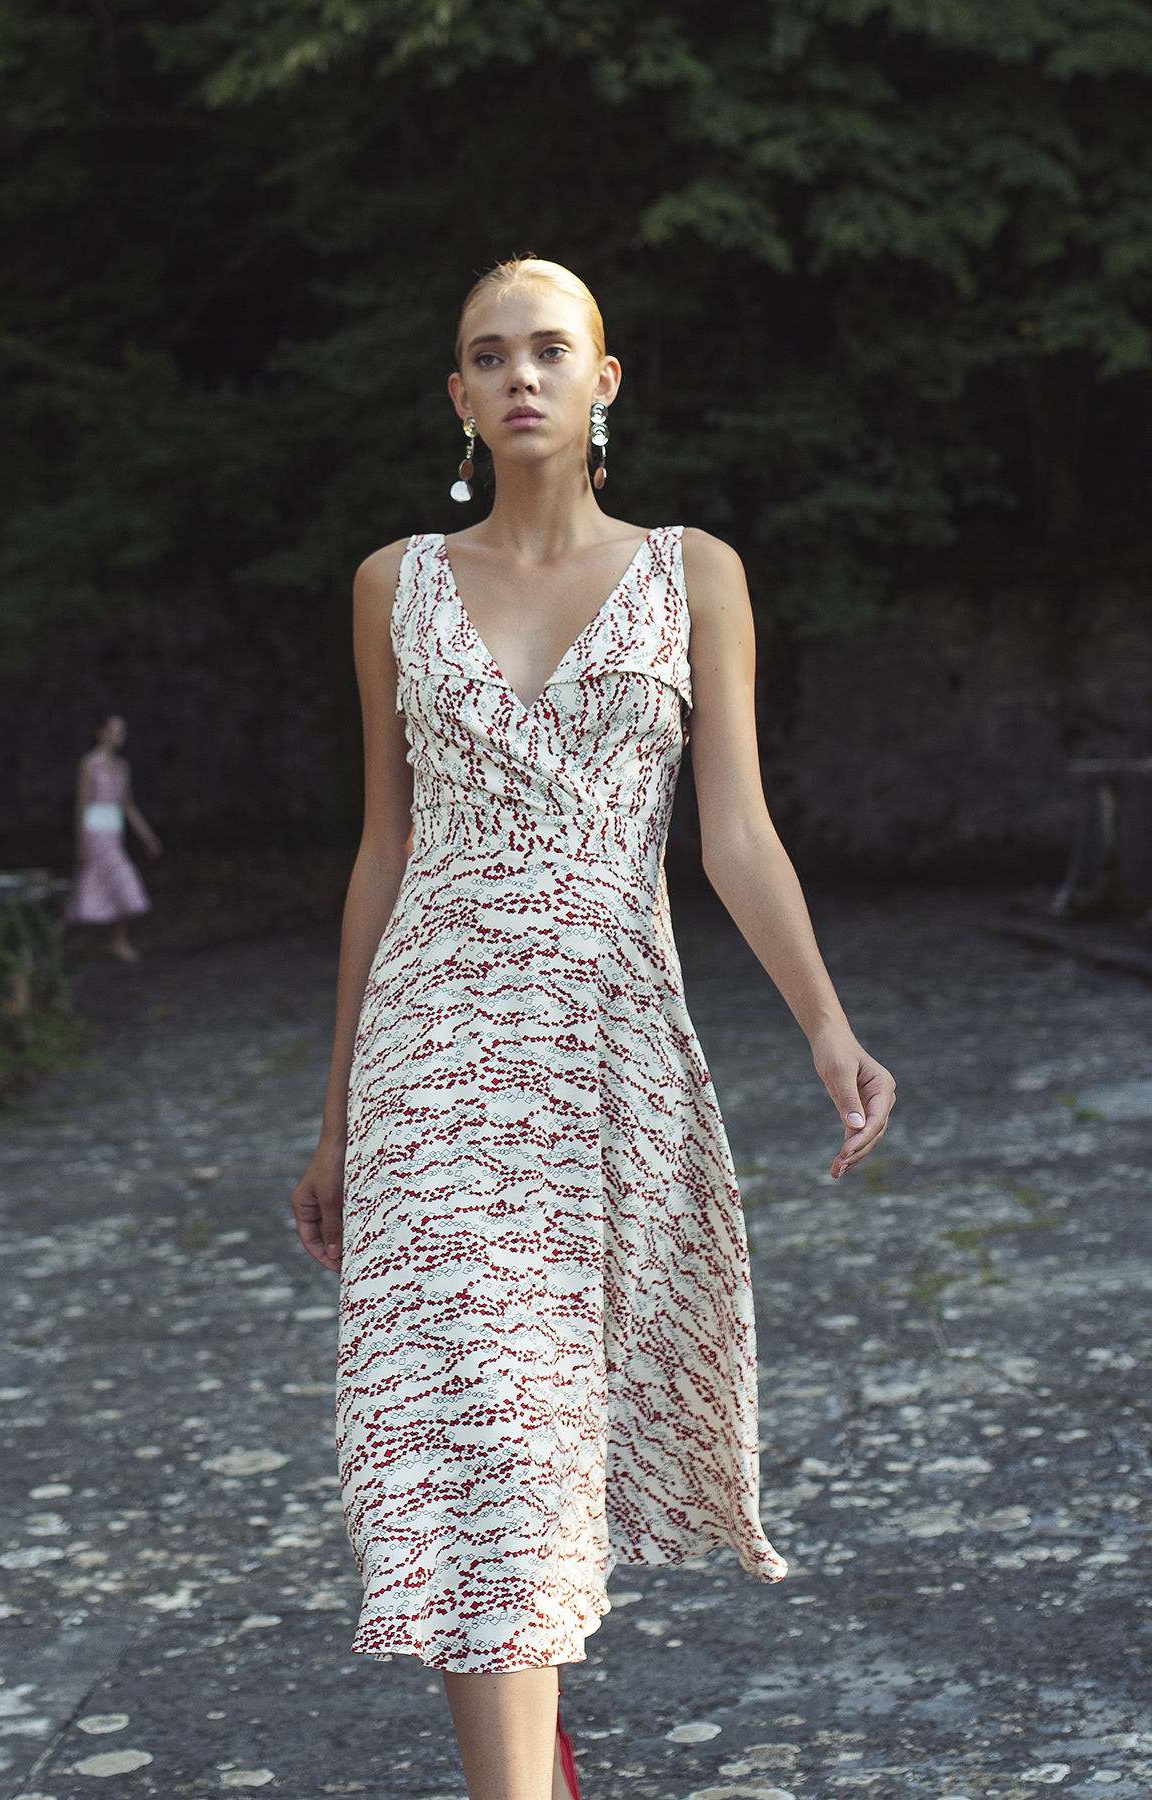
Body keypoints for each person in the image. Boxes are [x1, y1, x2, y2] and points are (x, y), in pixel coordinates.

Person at [290, 257, 895, 1800]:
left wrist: (825, 1027)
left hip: (602, 1050)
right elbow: (381, 852)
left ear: (602, 380)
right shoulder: (391, 585)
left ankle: (534, 1761)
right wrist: (336, 1116)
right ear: (457, 396)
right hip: (432, 1054)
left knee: (537, 1436)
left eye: (549, 350)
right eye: (489, 356)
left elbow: (734, 835)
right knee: (474, 1423)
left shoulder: (694, 574)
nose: (521, 376)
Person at [65, 714, 161, 962]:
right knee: (94, 887)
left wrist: (147, 836)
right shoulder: (90, 764)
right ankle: (58, 935)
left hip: (113, 835)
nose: (120, 737)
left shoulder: (122, 767)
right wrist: (81, 841)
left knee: (115, 885)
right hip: (95, 835)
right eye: (115, 731)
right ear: (102, 733)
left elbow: (128, 806)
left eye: (122, 732)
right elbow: (82, 804)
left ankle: (117, 939)